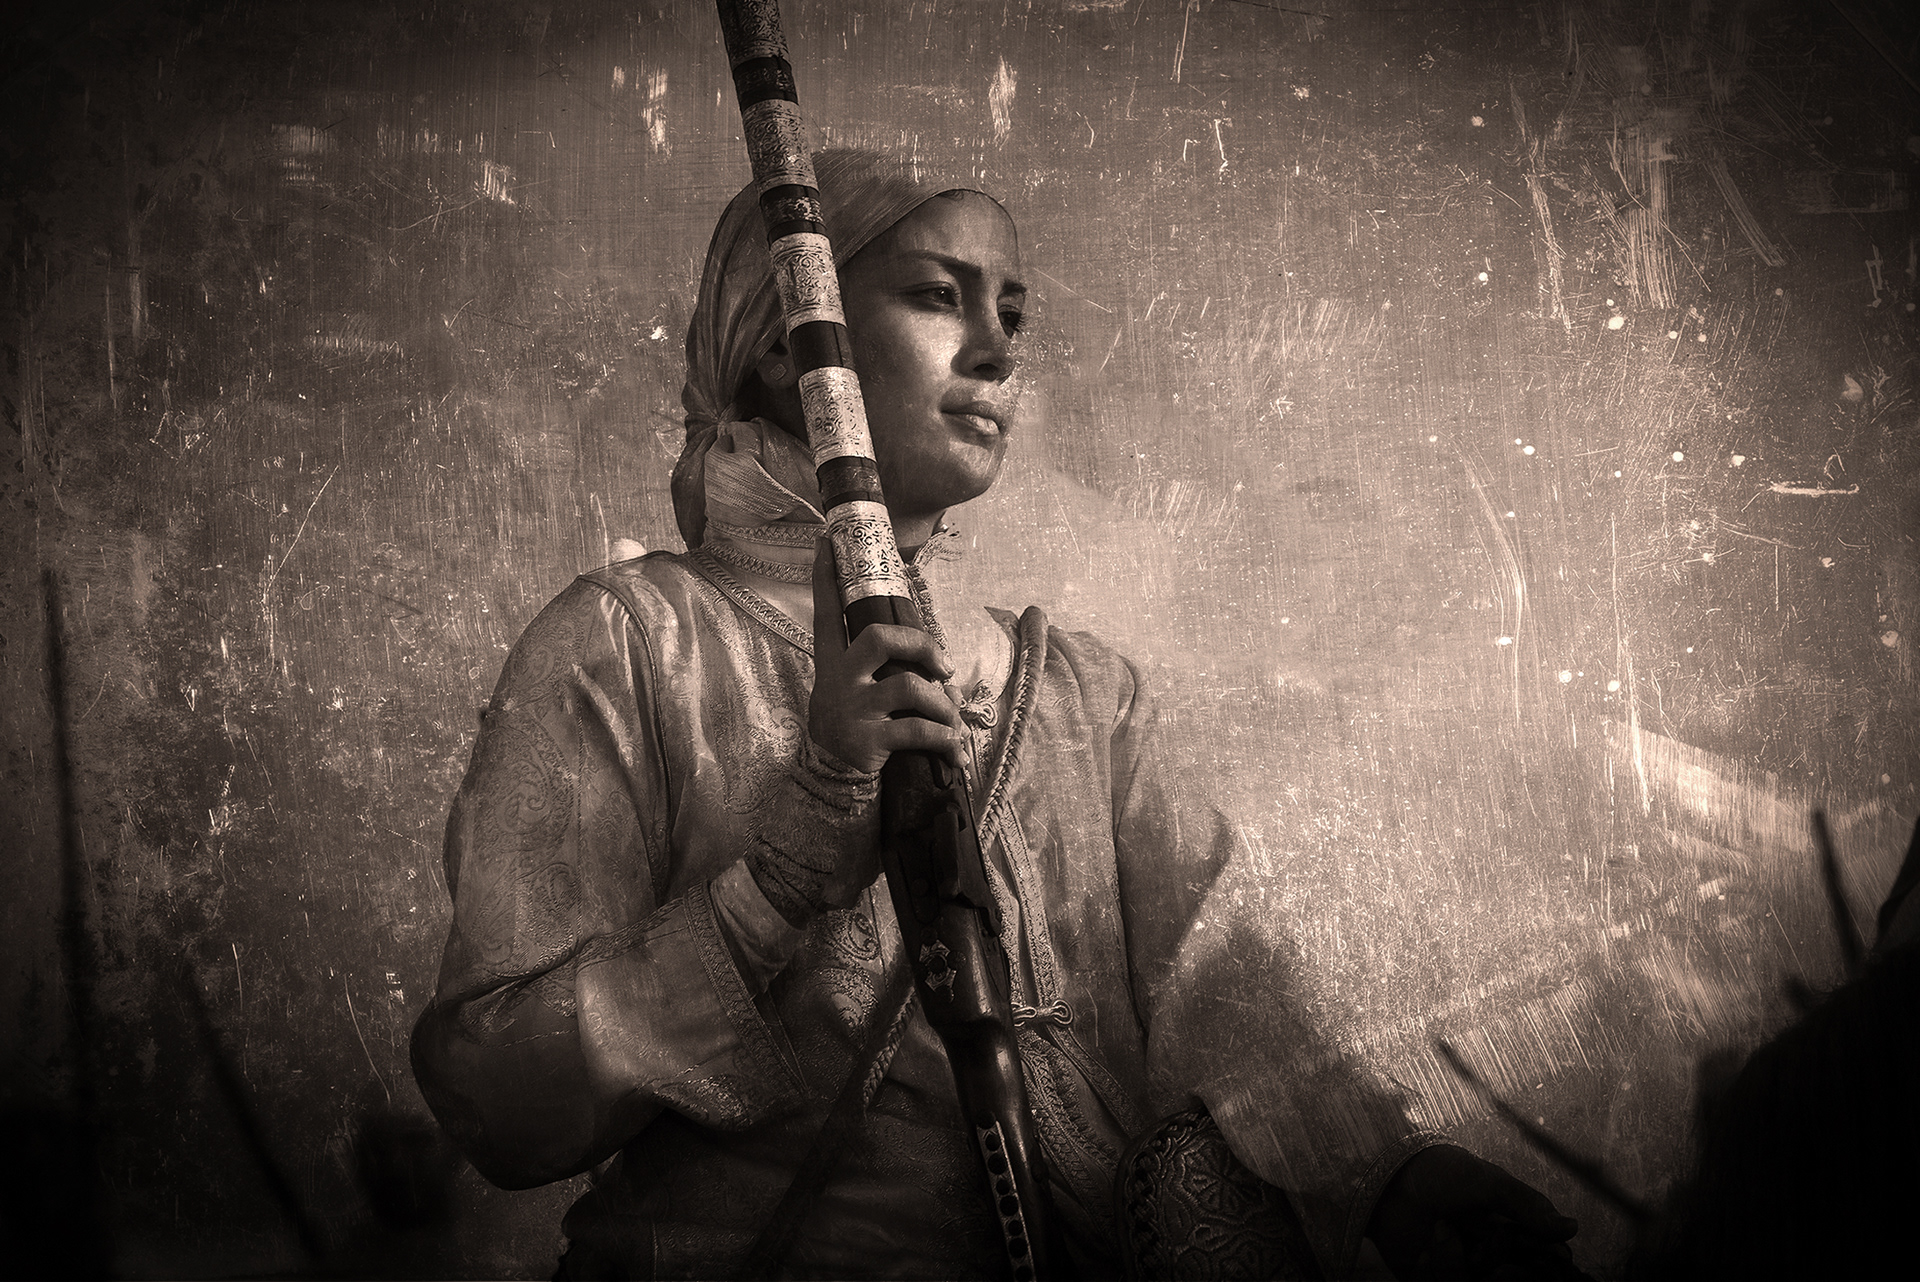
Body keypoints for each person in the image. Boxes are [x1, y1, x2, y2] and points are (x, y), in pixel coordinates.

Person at [411, 149, 1579, 1280]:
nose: (997, 350)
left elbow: (1230, 985)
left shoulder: (1080, 696)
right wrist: (782, 874)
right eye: (938, 296)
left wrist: (1391, 1174)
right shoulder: (627, 641)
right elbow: (498, 1099)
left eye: (1012, 314)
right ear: (781, 344)